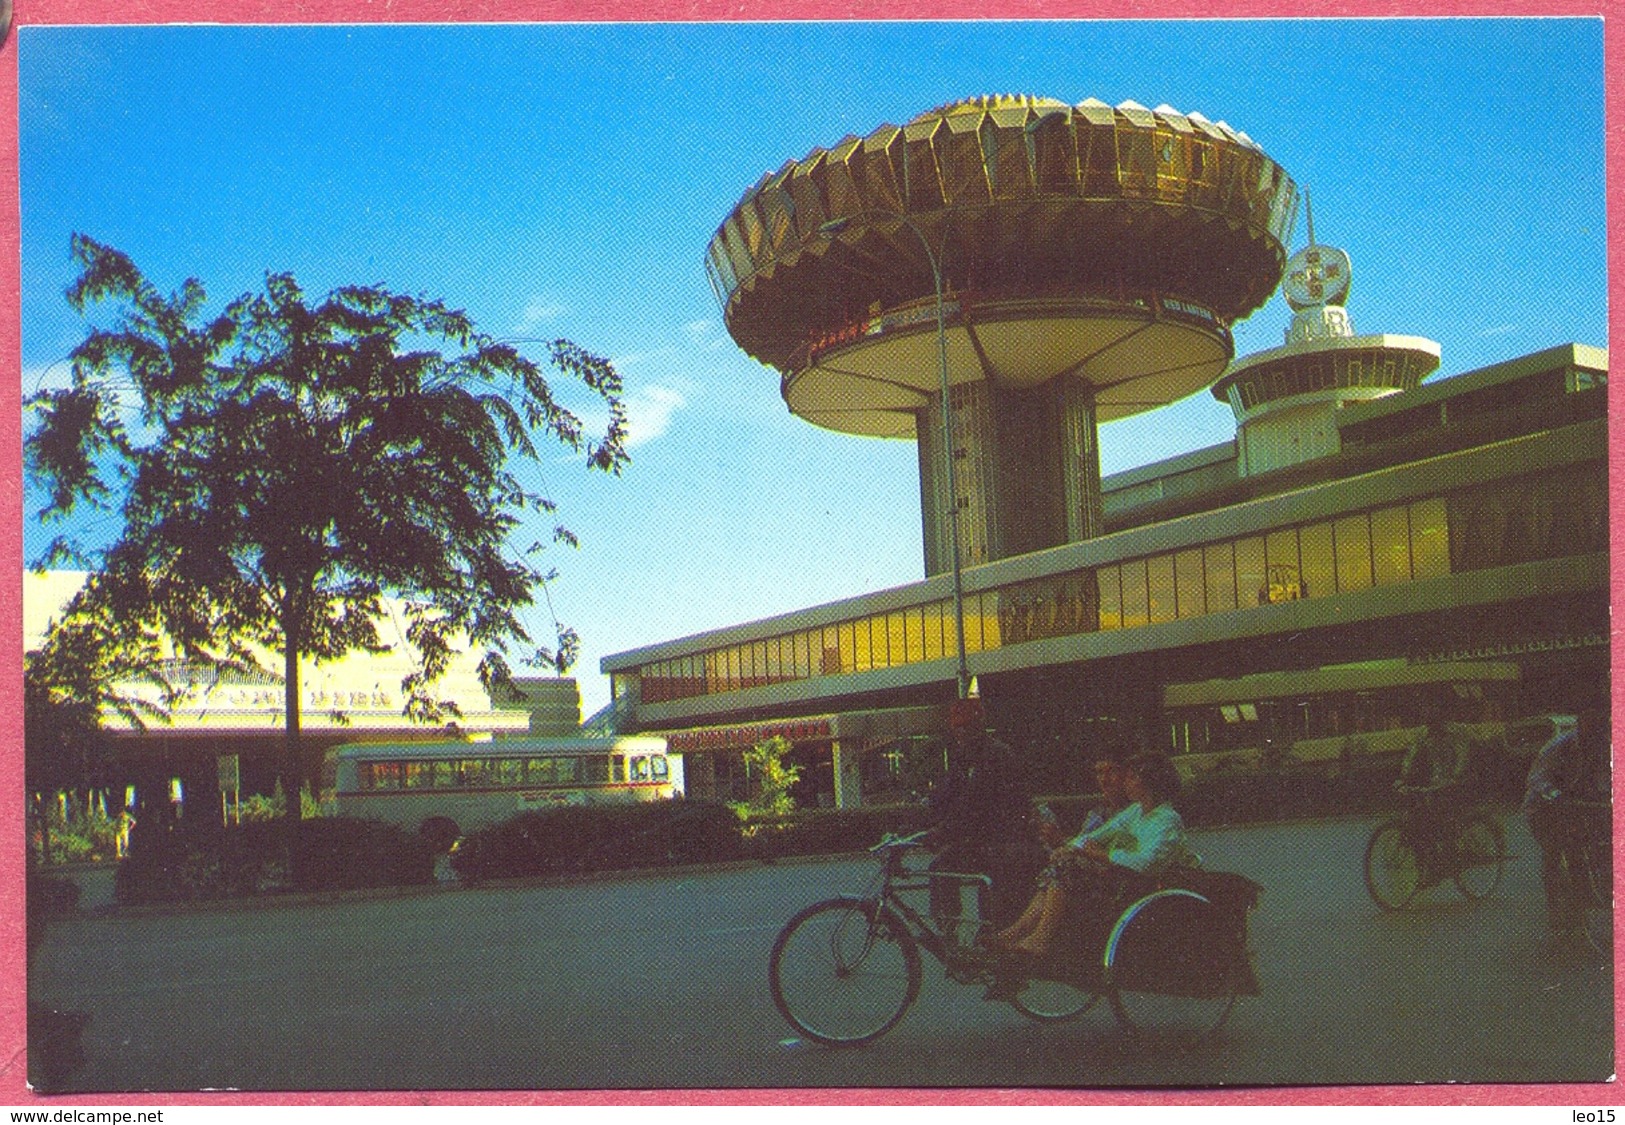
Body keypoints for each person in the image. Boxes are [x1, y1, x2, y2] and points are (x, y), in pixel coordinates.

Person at [991, 751, 1198, 957]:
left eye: (1133, 777)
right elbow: (1099, 835)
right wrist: (1070, 848)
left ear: (1151, 782)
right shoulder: (1136, 811)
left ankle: (1040, 937)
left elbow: (1147, 863)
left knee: (1067, 869)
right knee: (1062, 865)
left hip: (1146, 885)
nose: (1126, 782)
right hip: (1123, 879)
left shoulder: (1167, 820)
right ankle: (1020, 931)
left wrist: (1100, 855)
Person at [926, 695, 1040, 935]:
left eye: (967, 726)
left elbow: (973, 802)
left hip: (1007, 838)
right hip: (983, 838)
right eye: (957, 726)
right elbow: (944, 796)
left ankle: (990, 932)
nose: (961, 732)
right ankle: (949, 928)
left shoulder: (995, 755)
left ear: (979, 726)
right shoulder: (963, 756)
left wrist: (942, 831)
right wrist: (912, 824)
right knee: (942, 866)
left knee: (990, 880)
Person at [1523, 711, 1609, 937]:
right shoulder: (1560, 746)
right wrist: (1555, 795)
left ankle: (1589, 895)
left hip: (1582, 804)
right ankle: (1556, 908)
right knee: (1555, 851)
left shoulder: (1605, 744)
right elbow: (1537, 779)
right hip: (1545, 807)